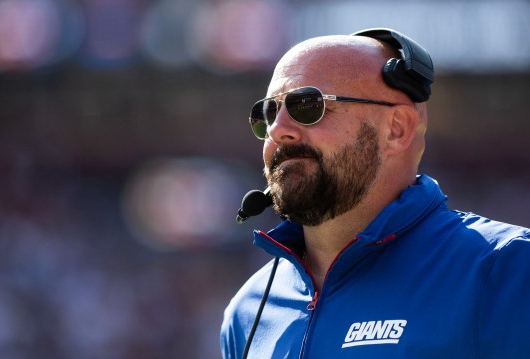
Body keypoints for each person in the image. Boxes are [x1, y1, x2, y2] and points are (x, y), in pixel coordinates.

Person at [220, 28, 530, 359]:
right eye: (268, 113)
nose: (278, 130)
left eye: (307, 105)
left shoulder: (508, 269)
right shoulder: (247, 311)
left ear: (397, 129)